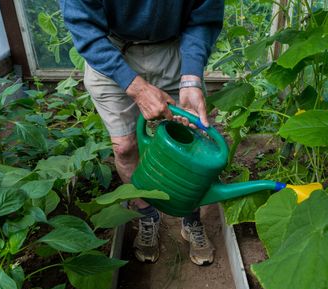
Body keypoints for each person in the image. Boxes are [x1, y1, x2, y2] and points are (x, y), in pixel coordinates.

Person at [60, 0, 224, 265]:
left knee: (190, 140)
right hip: (111, 53)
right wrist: (134, 86)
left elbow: (204, 16)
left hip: (174, 50)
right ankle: (147, 214)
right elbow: (84, 26)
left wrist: (192, 76)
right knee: (125, 146)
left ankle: (191, 219)